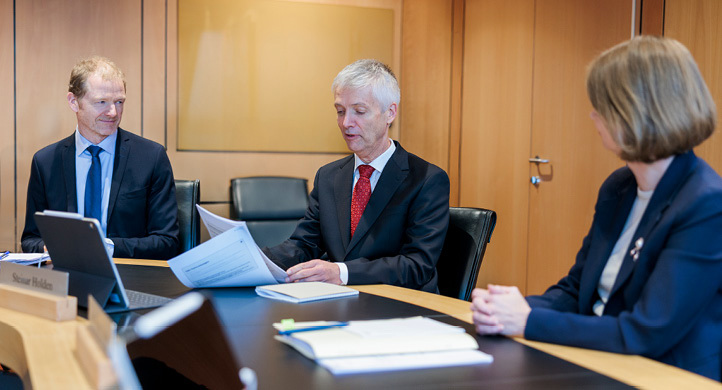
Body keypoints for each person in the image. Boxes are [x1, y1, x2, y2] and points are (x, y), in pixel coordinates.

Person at [471, 36, 722, 380]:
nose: (592, 116)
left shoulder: (706, 204)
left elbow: (647, 332)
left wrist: (528, 321)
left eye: (601, 106)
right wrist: (512, 307)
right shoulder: (619, 187)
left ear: (634, 112)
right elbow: (577, 290)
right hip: (601, 361)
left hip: (665, 376)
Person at [263, 59, 450, 292]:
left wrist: (341, 272)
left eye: (359, 111)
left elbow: (417, 265)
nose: (346, 123)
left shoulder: (426, 180)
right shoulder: (329, 176)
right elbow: (304, 244)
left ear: (390, 112)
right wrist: (253, 260)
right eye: (340, 111)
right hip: (338, 302)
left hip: (401, 308)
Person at [21, 56, 179, 260]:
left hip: (131, 281)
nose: (113, 112)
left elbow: (167, 242)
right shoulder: (45, 162)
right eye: (101, 102)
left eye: (119, 102)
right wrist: (48, 248)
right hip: (65, 280)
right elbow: (30, 240)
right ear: (74, 102)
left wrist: (105, 247)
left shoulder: (151, 157)